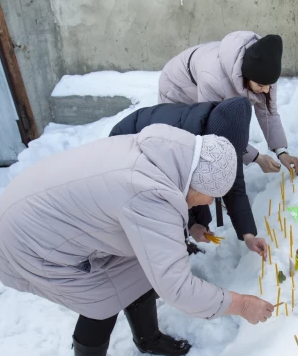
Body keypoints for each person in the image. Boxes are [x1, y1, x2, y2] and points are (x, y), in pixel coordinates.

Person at [0, 125, 274, 356]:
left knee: (141, 267)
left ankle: (148, 339)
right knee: (102, 299)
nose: (204, 204)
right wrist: (242, 304)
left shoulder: (169, 153)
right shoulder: (150, 194)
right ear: (198, 182)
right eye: (209, 197)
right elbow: (178, 289)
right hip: (32, 238)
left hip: (32, 202)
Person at [109, 97, 266, 256]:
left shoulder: (226, 147)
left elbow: (234, 186)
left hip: (168, 155)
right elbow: (173, 191)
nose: (212, 200)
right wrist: (189, 225)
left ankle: (184, 240)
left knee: (199, 199)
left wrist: (249, 236)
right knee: (162, 215)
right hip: (126, 147)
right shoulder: (180, 140)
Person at [158, 31, 298, 174]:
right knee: (186, 143)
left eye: (269, 85)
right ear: (246, 77)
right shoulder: (213, 79)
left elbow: (268, 113)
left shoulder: (265, 74)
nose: (266, 90)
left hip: (205, 75)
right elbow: (214, 127)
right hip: (177, 87)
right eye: (261, 86)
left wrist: (281, 151)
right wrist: (256, 158)